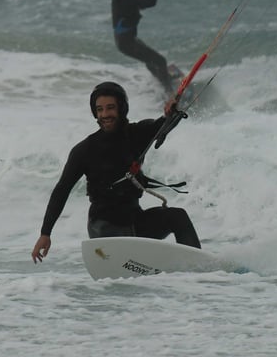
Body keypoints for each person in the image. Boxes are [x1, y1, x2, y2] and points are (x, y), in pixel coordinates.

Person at [31, 81, 200, 264]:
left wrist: (171, 112)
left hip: (134, 220)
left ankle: (195, 269)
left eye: (110, 108)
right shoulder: (84, 150)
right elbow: (61, 190)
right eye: (100, 109)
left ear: (121, 108)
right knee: (118, 234)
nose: (104, 114)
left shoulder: (137, 134)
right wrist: (45, 233)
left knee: (177, 217)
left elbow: (162, 125)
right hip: (104, 226)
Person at [112, 0, 175, 91]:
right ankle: (170, 92)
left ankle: (162, 81)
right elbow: (150, 2)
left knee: (150, 59)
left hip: (121, 41)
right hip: (127, 43)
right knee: (161, 61)